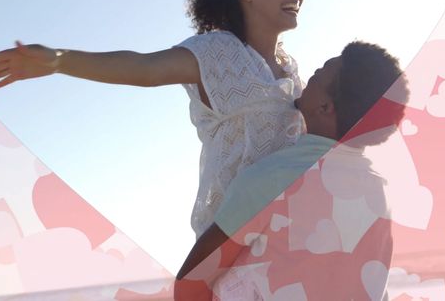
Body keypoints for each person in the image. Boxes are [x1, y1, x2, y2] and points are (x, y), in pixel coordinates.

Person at [0, 0, 307, 235]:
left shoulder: (292, 71)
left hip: (294, 232)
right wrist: (59, 60)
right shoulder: (218, 52)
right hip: (232, 241)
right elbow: (142, 68)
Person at [174, 41, 409, 300]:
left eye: (319, 74)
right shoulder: (381, 195)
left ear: (324, 107)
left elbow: (191, 283)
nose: (309, 77)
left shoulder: (276, 178)